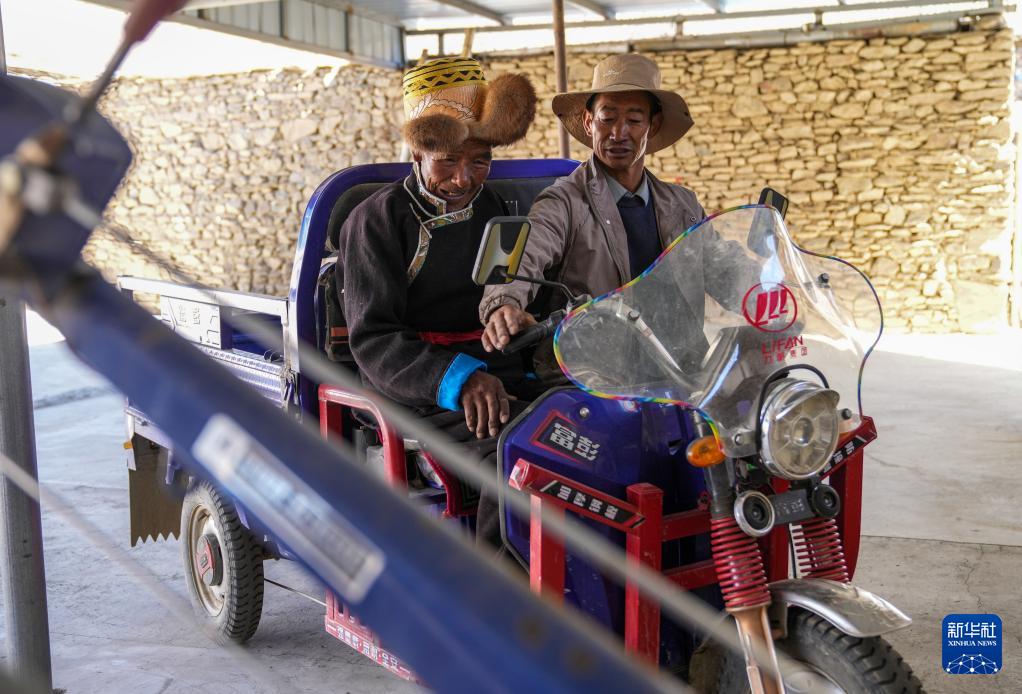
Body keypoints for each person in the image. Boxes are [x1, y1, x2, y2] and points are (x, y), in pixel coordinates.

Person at [337, 56, 537, 545]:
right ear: (418, 151)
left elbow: (498, 291)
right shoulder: (375, 220)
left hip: (498, 374)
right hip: (416, 390)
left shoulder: (494, 207)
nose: (464, 178)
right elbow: (375, 340)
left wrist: (513, 319)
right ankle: (494, 585)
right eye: (448, 160)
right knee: (516, 463)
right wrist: (462, 380)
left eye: (479, 161)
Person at [481, 53, 721, 353]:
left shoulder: (683, 205)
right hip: (594, 367)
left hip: (681, 364)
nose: (618, 133)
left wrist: (763, 282)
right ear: (588, 122)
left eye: (634, 120)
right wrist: (504, 303)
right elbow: (530, 250)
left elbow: (721, 264)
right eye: (607, 119)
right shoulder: (564, 201)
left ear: (653, 125)